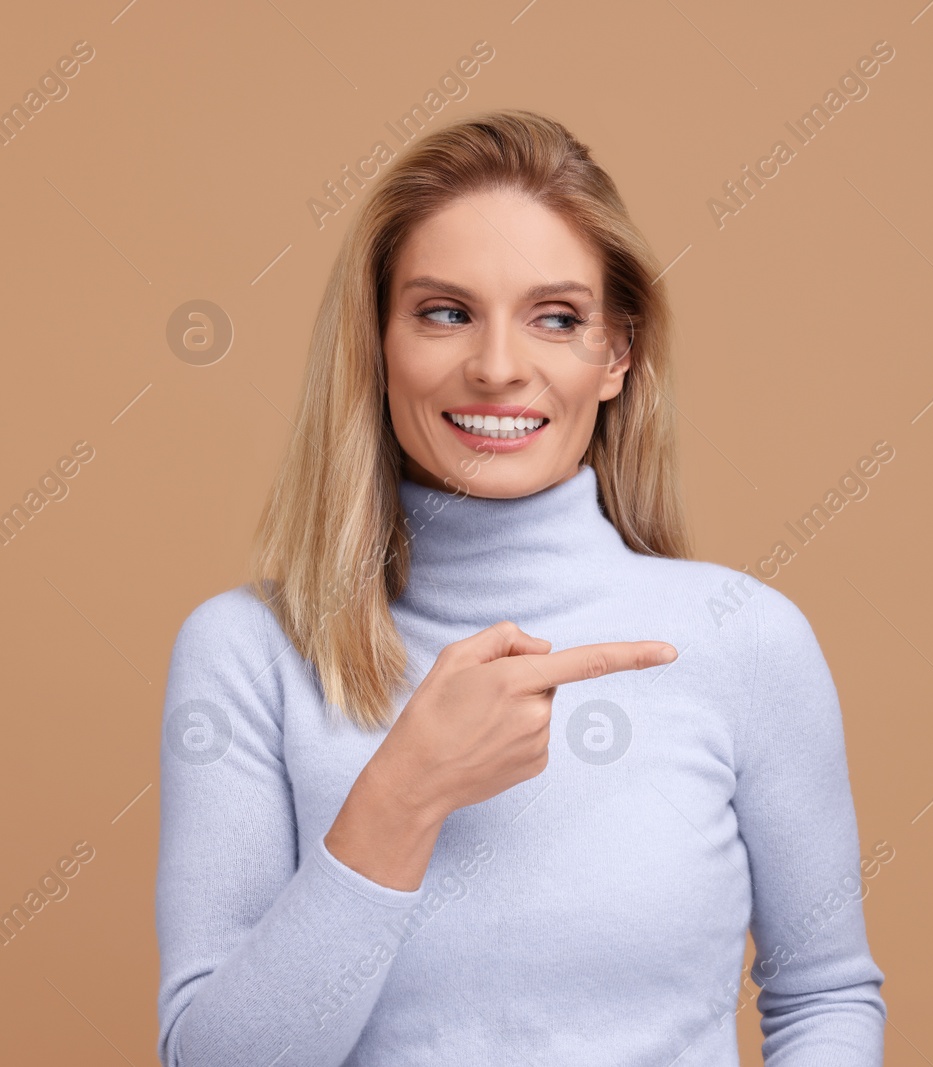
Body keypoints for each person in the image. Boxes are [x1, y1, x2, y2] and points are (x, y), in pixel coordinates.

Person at [155, 108, 886, 1066]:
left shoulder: (744, 638)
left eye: (556, 318)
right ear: (378, 345)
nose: (498, 368)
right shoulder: (248, 652)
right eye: (445, 312)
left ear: (617, 354)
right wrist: (405, 793)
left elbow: (823, 996)